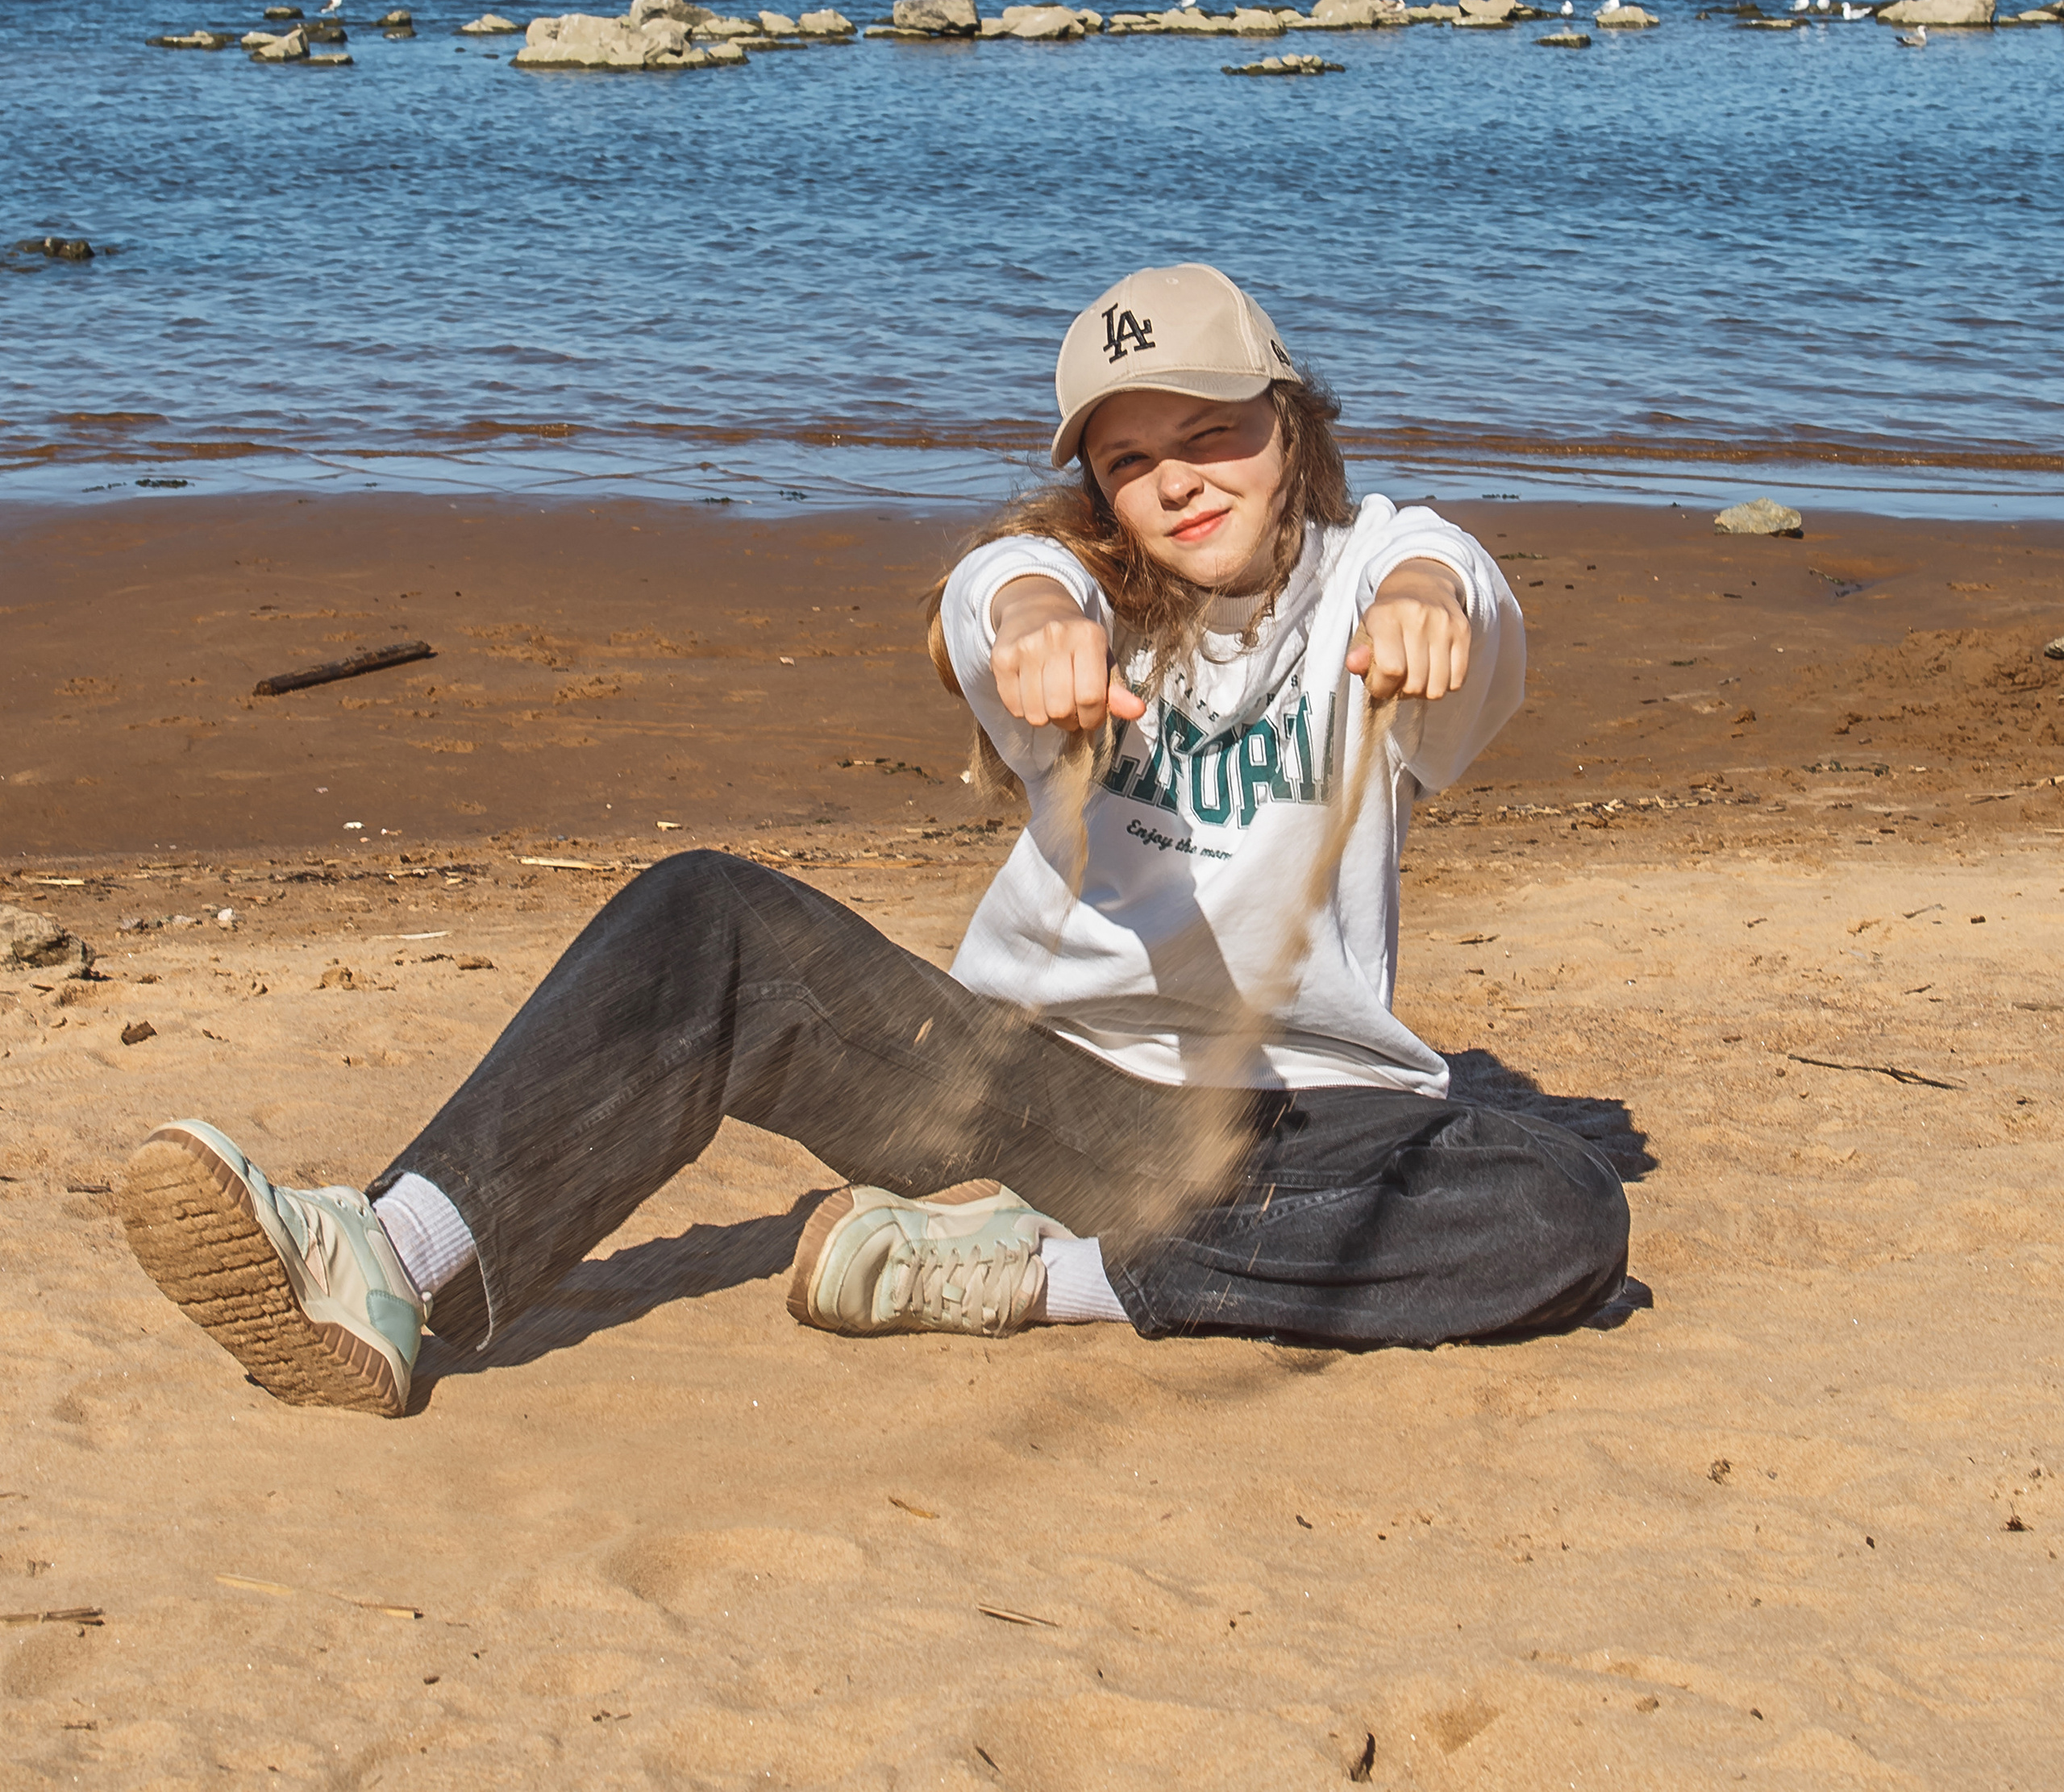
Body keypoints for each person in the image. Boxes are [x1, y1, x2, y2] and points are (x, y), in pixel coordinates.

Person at [119, 264, 1629, 1419]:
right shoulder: (1066, 580)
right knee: (703, 911)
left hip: (1288, 1119)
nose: (1177, 481)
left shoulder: (1385, 578)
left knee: (1557, 1210)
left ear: (1292, 426)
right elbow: (1005, 593)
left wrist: (1425, 595)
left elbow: (1449, 573)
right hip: (1010, 1088)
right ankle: (389, 1259)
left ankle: (1040, 1273)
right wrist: (1040, 631)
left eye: (1215, 433)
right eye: (1129, 457)